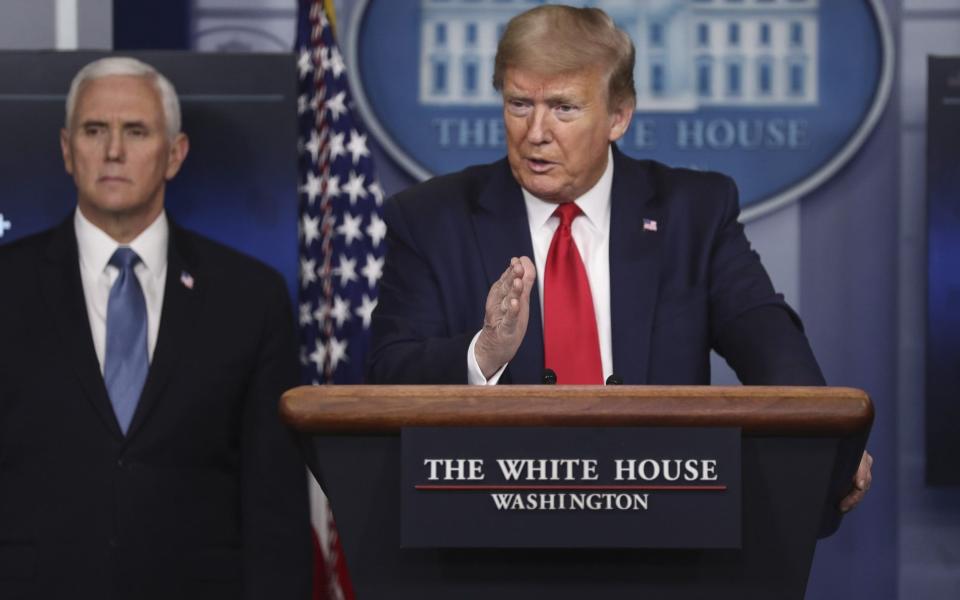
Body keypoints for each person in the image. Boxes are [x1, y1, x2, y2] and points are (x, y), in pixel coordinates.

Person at [367, 5, 871, 511]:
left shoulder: (692, 214)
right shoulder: (432, 219)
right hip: (487, 526)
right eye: (519, 104)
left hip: (662, 525)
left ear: (618, 116)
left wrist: (823, 433)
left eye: (563, 108)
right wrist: (484, 352)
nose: (535, 131)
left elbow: (764, 333)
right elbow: (387, 375)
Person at [0, 57, 311, 599]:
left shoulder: (249, 296)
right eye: (94, 130)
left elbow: (274, 505)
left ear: (175, 154)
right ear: (66, 150)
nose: (113, 151)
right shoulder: (7, 286)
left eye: (136, 131)